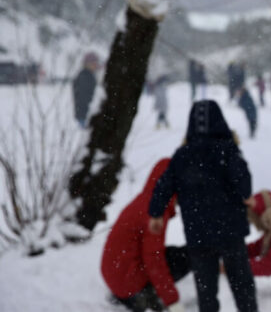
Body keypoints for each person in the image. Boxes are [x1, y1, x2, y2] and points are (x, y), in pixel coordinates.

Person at [149, 100, 258, 312]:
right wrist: (245, 195)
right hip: (230, 232)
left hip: (198, 233)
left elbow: (163, 185)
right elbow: (244, 185)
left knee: (206, 290)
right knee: (242, 284)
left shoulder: (182, 155)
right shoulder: (228, 151)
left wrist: (156, 213)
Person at [102, 158, 191, 312]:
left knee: (175, 253)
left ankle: (135, 292)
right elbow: (154, 259)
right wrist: (172, 301)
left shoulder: (144, 201)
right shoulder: (155, 211)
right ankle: (144, 296)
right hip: (127, 285)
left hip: (116, 276)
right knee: (191, 255)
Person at [72, 51, 100, 127]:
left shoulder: (89, 75)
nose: (95, 65)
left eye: (96, 63)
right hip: (84, 114)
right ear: (87, 64)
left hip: (87, 112)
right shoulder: (84, 76)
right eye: (93, 63)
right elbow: (82, 97)